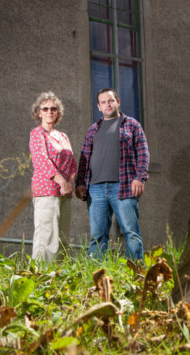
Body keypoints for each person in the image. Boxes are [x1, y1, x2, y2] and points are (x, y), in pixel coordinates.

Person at [75, 88, 149, 260]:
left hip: (123, 186)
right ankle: (94, 276)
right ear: (98, 107)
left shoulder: (131, 125)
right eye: (103, 102)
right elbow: (84, 158)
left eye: (110, 101)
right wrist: (80, 183)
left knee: (131, 233)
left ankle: (135, 275)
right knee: (97, 236)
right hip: (95, 189)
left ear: (118, 102)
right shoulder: (93, 129)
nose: (107, 105)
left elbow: (143, 153)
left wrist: (140, 177)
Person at [29, 91, 76, 262]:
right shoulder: (37, 133)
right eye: (45, 108)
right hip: (47, 191)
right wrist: (62, 182)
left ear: (58, 113)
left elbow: (72, 162)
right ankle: (40, 276)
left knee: (62, 238)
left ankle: (59, 276)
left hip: (65, 192)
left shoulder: (63, 136)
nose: (49, 111)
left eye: (53, 109)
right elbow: (42, 160)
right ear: (39, 112)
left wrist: (70, 182)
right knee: (46, 237)